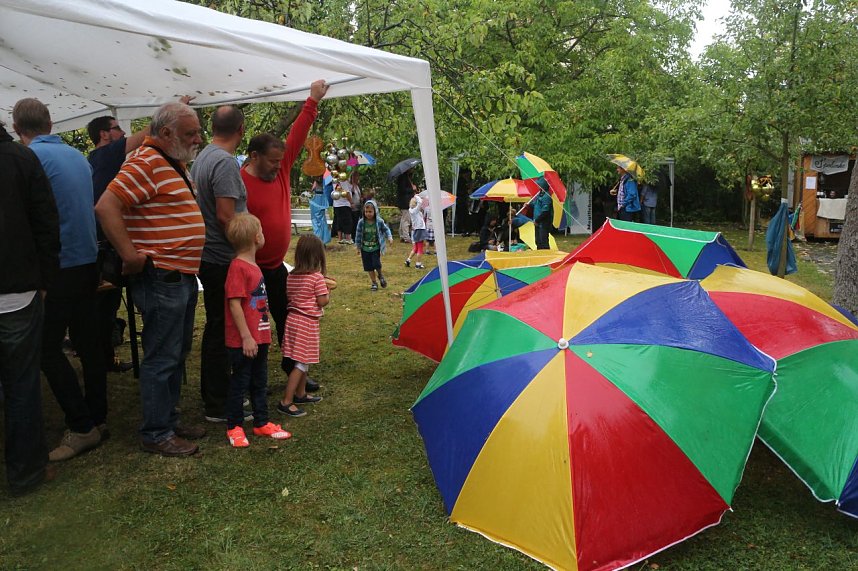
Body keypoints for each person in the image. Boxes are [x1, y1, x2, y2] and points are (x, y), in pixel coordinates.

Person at [95, 100, 207, 457]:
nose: (197, 138)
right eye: (191, 133)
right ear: (166, 132)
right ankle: (156, 431)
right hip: (162, 277)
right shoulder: (145, 161)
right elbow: (105, 206)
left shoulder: (169, 161)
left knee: (175, 352)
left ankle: (168, 421)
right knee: (162, 355)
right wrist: (130, 254)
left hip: (181, 276)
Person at [13, 98, 106, 461]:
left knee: (45, 348)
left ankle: (81, 425)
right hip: (88, 260)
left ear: (18, 127)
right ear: (51, 124)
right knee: (89, 342)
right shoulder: (77, 157)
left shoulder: (30, 159)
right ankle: (98, 416)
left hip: (59, 265)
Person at [243, 79, 328, 392]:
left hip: (277, 267)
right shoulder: (240, 183)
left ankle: (296, 371)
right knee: (256, 324)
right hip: (252, 270)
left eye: (281, 160)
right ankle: (252, 380)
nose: (280, 166)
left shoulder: (280, 168)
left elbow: (298, 135)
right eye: (273, 161)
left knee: (288, 318)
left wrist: (312, 101)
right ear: (253, 156)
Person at [0, 120, 59, 494]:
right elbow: (46, 223)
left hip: (17, 291)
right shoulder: (21, 158)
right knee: (21, 386)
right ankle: (25, 473)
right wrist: (44, 280)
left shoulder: (21, 157)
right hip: (17, 291)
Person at [191, 105, 253, 424]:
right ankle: (217, 402)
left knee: (218, 324)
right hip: (221, 257)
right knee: (222, 328)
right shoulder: (225, 162)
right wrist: (248, 247)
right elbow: (226, 215)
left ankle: (219, 394)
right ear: (241, 129)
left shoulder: (202, 156)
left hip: (208, 254)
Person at [86, 114, 152, 374]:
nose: (123, 132)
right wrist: (173, 110)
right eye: (116, 128)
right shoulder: (105, 155)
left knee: (106, 306)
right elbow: (144, 136)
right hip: (107, 245)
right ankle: (101, 358)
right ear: (104, 134)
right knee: (105, 306)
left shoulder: (98, 159)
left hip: (103, 242)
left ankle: (105, 357)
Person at [223, 213, 292, 447]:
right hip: (244, 341)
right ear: (256, 238)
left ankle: (261, 422)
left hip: (259, 338)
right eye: (262, 230)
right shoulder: (238, 268)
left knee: (259, 381)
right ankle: (234, 427)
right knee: (240, 383)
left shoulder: (254, 266)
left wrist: (261, 335)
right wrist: (246, 337)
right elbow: (234, 303)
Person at [277, 235, 329, 418]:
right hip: (306, 323)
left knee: (301, 359)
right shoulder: (317, 278)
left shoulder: (291, 276)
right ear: (318, 256)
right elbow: (322, 301)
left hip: (292, 320)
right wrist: (327, 292)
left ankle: (300, 394)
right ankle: (286, 401)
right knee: (300, 363)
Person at [354, 199, 393, 291]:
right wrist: (358, 247)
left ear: (375, 211)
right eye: (366, 211)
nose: (368, 213)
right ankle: (374, 282)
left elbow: (386, 229)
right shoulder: (361, 222)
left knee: (376, 264)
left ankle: (380, 275)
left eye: (370, 211)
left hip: (375, 247)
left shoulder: (379, 221)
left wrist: (390, 237)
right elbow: (358, 234)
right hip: (365, 248)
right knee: (368, 266)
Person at [405, 193, 427, 269]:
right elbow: (420, 202)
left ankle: (408, 260)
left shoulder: (413, 211)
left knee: (416, 248)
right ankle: (418, 264)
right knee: (420, 249)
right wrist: (416, 196)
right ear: (416, 203)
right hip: (419, 230)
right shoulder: (415, 211)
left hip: (417, 230)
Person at [396, 168, 417, 242]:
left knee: (403, 219)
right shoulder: (402, 178)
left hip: (404, 201)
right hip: (404, 202)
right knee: (406, 220)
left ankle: (402, 235)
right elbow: (402, 190)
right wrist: (412, 189)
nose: (413, 169)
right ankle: (406, 237)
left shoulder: (407, 177)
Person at [533, 176, 554, 250]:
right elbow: (536, 205)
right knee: (538, 241)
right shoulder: (539, 195)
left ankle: (546, 257)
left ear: (543, 186)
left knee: (543, 241)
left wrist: (537, 220)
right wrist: (527, 205)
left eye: (539, 185)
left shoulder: (546, 197)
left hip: (543, 223)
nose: (538, 187)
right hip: (537, 222)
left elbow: (545, 211)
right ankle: (539, 257)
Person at [331, 178, 353, 244]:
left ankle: (340, 238)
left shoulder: (334, 180)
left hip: (336, 204)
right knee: (347, 221)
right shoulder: (343, 180)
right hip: (344, 204)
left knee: (338, 221)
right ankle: (348, 238)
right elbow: (347, 193)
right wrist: (351, 202)